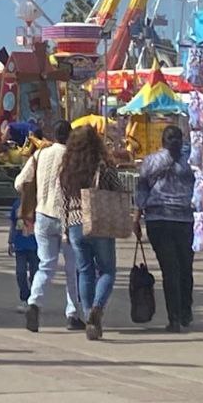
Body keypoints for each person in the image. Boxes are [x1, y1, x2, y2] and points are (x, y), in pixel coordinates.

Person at [13, 119, 82, 332]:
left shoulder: (40, 154)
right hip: (68, 217)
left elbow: (19, 182)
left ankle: (34, 302)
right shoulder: (73, 158)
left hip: (42, 215)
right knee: (73, 268)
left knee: (46, 265)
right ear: (70, 136)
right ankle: (73, 313)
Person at [59, 125, 124, 341]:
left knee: (84, 270)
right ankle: (98, 307)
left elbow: (63, 200)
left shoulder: (67, 167)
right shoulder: (103, 166)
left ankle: (88, 316)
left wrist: (64, 228)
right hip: (100, 221)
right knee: (107, 270)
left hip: (76, 223)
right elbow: (118, 188)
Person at [135, 124, 196, 333]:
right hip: (184, 220)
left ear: (162, 141)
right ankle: (185, 310)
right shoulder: (189, 162)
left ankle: (175, 318)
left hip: (158, 220)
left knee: (170, 270)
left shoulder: (151, 161)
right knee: (185, 268)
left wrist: (136, 218)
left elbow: (141, 191)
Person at [8, 197, 38, 310]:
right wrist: (10, 241)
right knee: (20, 273)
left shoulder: (38, 203)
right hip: (20, 245)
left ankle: (33, 299)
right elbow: (13, 224)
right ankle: (24, 298)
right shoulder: (16, 204)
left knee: (35, 273)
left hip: (35, 245)